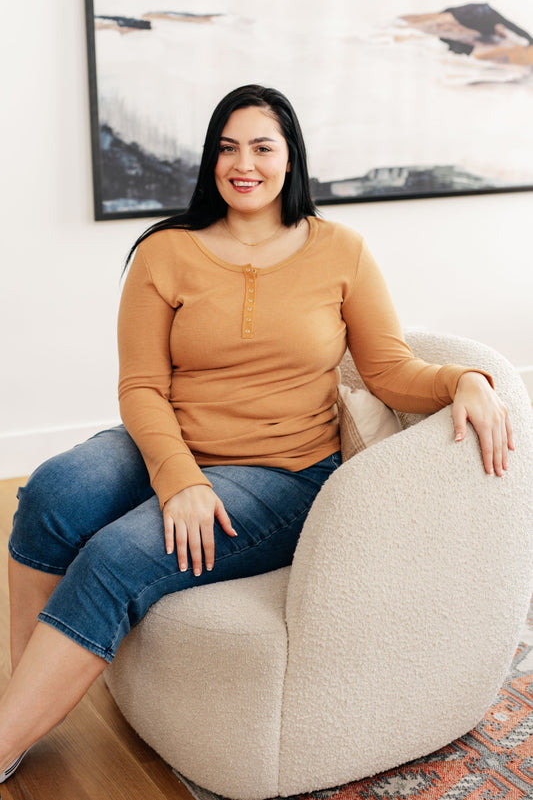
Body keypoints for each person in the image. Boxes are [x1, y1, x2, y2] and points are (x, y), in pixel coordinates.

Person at [0, 84, 513, 785]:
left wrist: (462, 380)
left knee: (117, 556)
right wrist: (178, 478)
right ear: (211, 158)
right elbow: (141, 388)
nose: (243, 163)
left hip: (283, 472)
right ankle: (24, 700)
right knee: (53, 490)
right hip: (177, 440)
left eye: (262, 146)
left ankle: (5, 736)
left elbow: (388, 369)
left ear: (289, 157)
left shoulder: (341, 251)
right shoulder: (165, 251)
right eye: (226, 147)